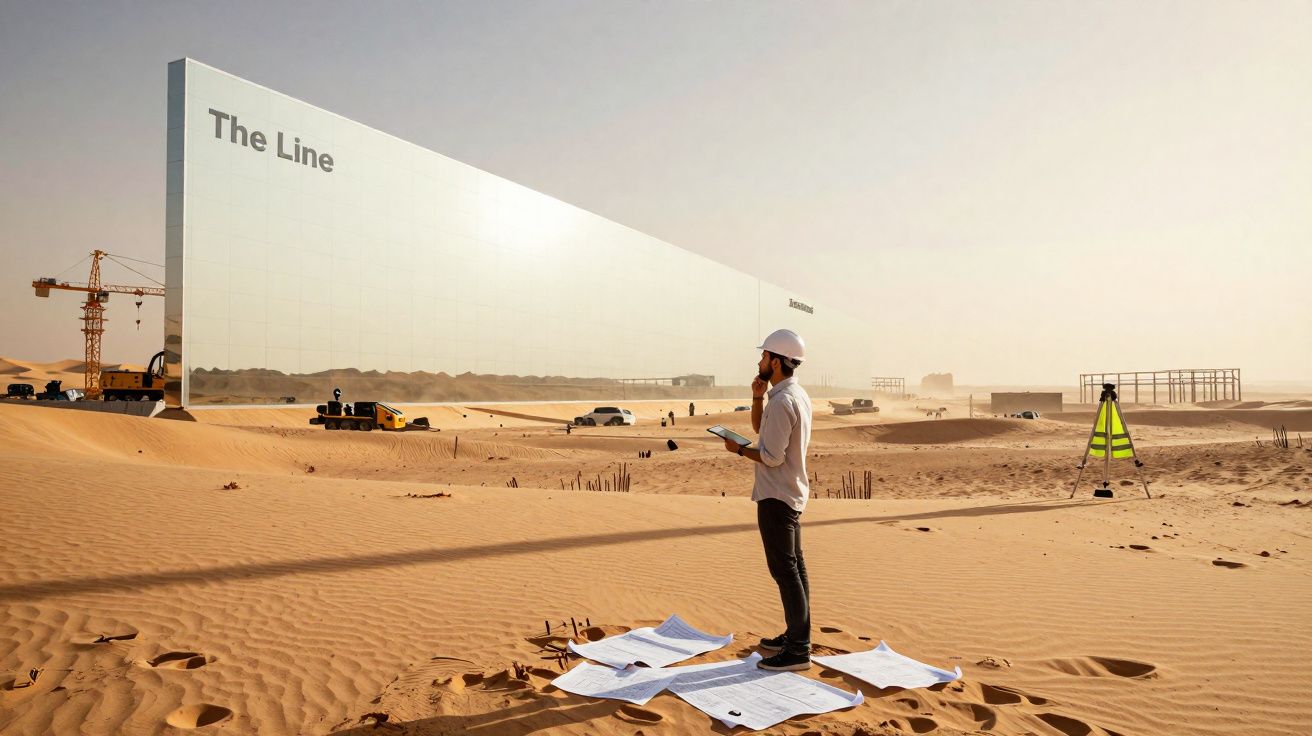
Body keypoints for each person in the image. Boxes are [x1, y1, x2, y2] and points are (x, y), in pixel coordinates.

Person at [722, 328, 813, 671]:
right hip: (789, 491)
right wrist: (758, 398)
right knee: (794, 568)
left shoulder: (784, 401)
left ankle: (798, 648)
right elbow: (764, 432)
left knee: (785, 571)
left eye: (764, 355)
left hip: (777, 495)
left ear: (776, 361)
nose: (760, 360)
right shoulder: (793, 395)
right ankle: (796, 636)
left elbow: (772, 456)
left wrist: (739, 450)